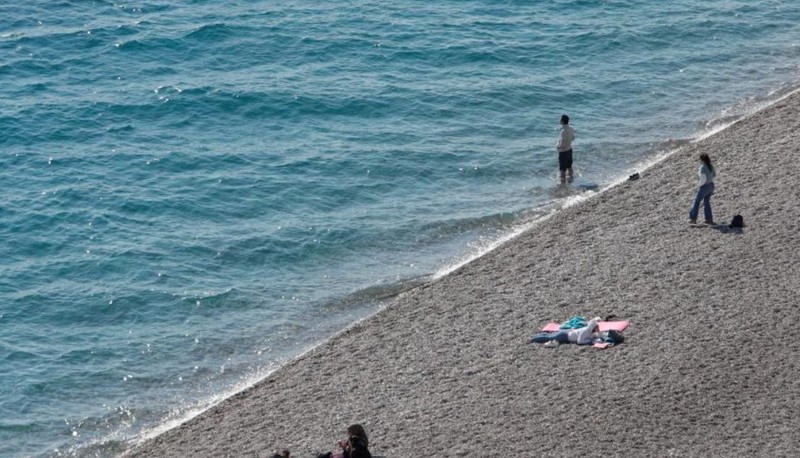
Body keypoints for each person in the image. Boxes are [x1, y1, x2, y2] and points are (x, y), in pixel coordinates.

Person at [531, 317, 602, 346]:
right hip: (565, 336)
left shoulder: (588, 330)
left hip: (567, 333)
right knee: (549, 337)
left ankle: (536, 336)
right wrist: (591, 342)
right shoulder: (586, 331)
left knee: (550, 335)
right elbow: (580, 341)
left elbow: (595, 335)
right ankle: (533, 339)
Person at [689, 153, 716, 224]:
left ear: (702, 160)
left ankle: (693, 219)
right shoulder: (711, 166)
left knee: (696, 202)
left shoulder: (703, 167)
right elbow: (714, 175)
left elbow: (703, 179)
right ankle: (709, 219)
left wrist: (699, 185)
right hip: (711, 185)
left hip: (705, 186)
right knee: (706, 202)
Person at [556, 114, 576, 182]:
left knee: (562, 170)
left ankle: (563, 184)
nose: (559, 120)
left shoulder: (563, 131)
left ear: (562, 121)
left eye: (560, 119)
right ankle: (571, 179)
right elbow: (573, 138)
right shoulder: (571, 128)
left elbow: (562, 143)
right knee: (569, 166)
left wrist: (557, 146)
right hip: (570, 149)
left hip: (563, 151)